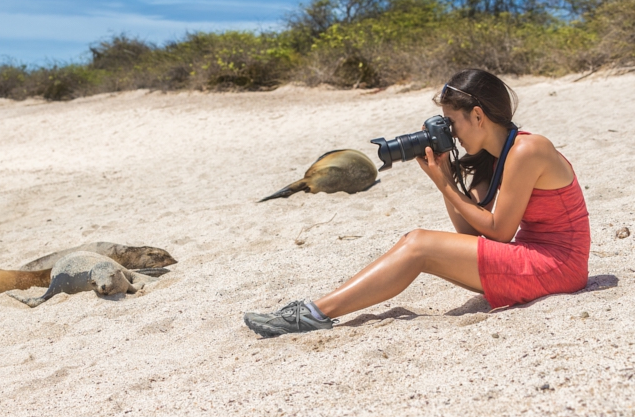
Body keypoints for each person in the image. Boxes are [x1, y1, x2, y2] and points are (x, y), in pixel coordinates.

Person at [243, 68, 590, 337]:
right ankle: (313, 310)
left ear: (479, 116)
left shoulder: (528, 150)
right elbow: (470, 233)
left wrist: (445, 184)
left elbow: (498, 233)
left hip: (558, 268)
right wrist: (446, 179)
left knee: (418, 244)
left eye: (453, 124)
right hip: (538, 260)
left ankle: (314, 313)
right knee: (417, 242)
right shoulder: (492, 157)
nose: (451, 133)